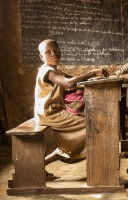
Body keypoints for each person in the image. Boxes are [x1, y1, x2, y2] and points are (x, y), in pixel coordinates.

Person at [34, 39, 109, 180]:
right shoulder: (47, 71)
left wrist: (93, 78)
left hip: (54, 112)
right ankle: (100, 168)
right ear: (41, 57)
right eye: (48, 52)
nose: (54, 54)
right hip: (49, 114)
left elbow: (74, 82)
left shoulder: (55, 71)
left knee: (87, 127)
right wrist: (93, 72)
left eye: (56, 51)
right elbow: (68, 83)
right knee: (93, 124)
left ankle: (42, 163)